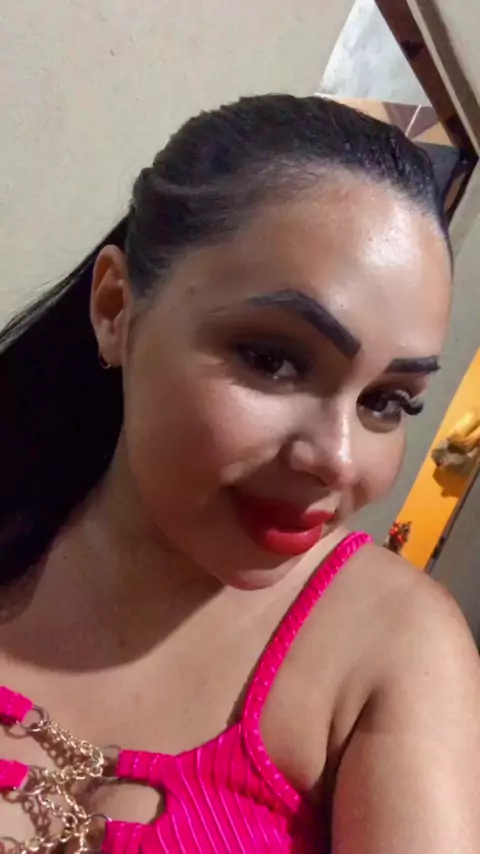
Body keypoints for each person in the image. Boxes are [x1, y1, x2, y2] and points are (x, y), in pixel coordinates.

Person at [0, 94, 479, 854]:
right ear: (117, 308)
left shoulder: (391, 649)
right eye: (273, 360)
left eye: (386, 402)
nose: (339, 458)